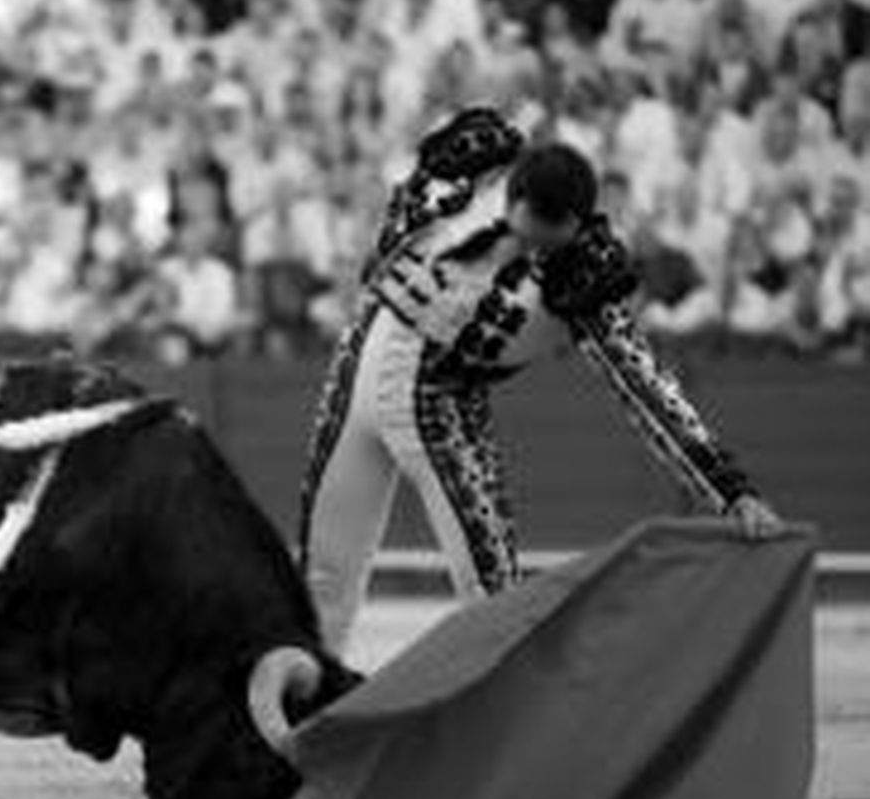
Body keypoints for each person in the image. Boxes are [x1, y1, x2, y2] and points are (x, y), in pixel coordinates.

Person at [298, 106, 783, 657]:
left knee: (494, 600)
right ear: (510, 193)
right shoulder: (472, 159)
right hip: (361, 352)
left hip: (440, 401)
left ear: (574, 227)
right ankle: (286, 731)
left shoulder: (583, 277)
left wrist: (728, 489)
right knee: (319, 583)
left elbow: (646, 388)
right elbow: (387, 227)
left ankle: (507, 737)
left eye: (540, 245)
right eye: (520, 231)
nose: (522, 251)